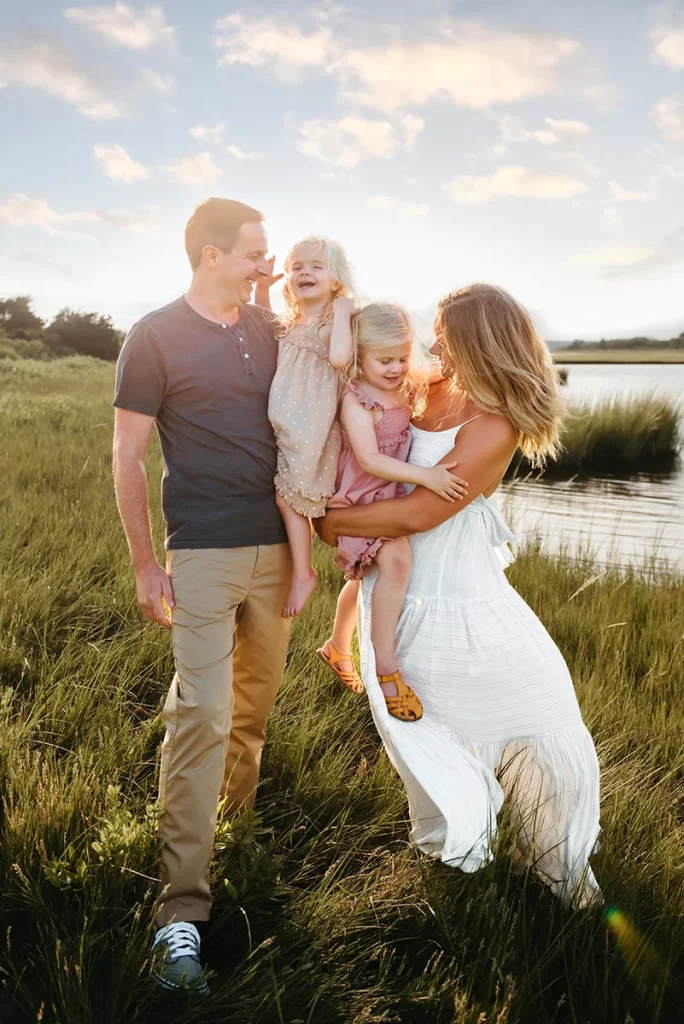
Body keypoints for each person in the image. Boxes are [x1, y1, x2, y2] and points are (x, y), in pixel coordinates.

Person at [318, 283, 602, 907]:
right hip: (395, 591)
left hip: (457, 587)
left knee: (541, 705)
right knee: (417, 729)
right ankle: (451, 857)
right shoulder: (426, 384)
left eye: (445, 330)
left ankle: (550, 861)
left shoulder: (495, 424)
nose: (434, 339)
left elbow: (420, 512)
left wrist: (329, 522)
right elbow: (359, 389)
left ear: (478, 339)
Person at [112, 198, 292, 994]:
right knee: (203, 715)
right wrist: (147, 564)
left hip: (281, 554)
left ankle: (237, 837)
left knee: (251, 713)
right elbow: (127, 457)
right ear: (211, 255)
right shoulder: (152, 336)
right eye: (256, 253)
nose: (268, 264)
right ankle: (179, 915)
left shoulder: (270, 331)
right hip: (204, 554)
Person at [318, 302, 466, 722]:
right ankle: (386, 668)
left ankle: (337, 646)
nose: (396, 368)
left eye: (403, 358)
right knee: (397, 563)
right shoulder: (358, 400)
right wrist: (427, 477)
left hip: (389, 489)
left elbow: (452, 374)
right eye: (384, 360)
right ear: (360, 356)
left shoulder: (406, 384)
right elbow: (368, 459)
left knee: (365, 575)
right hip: (364, 494)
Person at [264, 236, 356, 618]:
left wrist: (345, 310)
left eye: (316, 267)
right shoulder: (292, 321)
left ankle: (304, 573)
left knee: (288, 498)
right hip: (283, 421)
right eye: (297, 267)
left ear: (335, 279)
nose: (305, 272)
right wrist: (259, 287)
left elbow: (339, 359)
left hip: (311, 427)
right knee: (285, 495)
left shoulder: (333, 321)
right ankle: (301, 569)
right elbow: (260, 319)